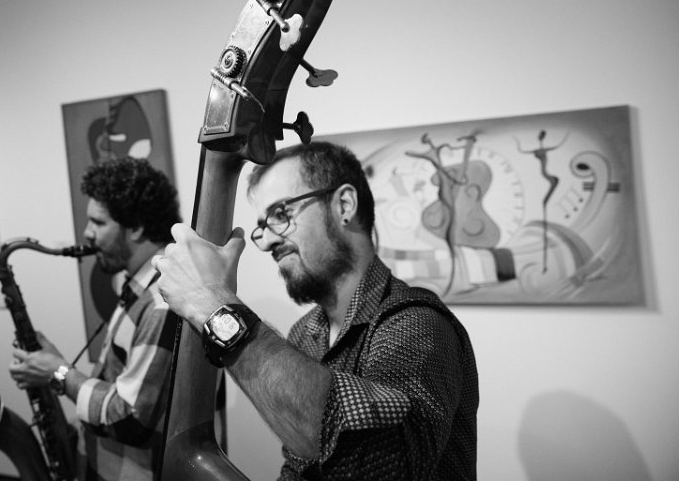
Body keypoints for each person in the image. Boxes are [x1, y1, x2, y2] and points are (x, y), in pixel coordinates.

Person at [154, 141, 479, 480]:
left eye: (280, 214)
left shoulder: (417, 323)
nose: (266, 242)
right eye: (263, 225)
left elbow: (383, 462)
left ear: (344, 205)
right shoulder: (305, 333)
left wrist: (213, 303)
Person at [9, 157, 181, 481]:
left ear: (136, 226)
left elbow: (130, 419)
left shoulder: (162, 303)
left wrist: (58, 373)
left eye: (98, 222)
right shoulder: (141, 286)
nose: (87, 233)